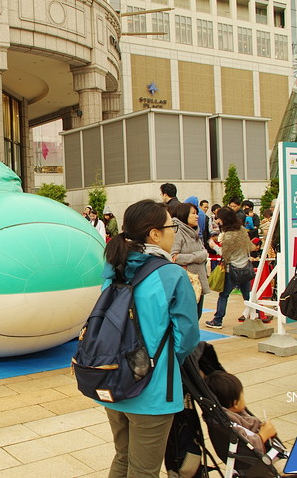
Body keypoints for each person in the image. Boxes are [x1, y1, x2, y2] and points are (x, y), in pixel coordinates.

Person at [100, 199, 200, 478]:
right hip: (151, 390)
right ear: (154, 234)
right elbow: (188, 338)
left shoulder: (114, 267)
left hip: (111, 379)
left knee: (123, 457)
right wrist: (165, 362)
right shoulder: (171, 274)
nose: (174, 232)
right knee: (144, 470)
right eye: (171, 227)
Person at [204, 371, 279, 457]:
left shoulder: (222, 417)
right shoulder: (232, 423)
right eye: (242, 395)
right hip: (263, 462)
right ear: (236, 403)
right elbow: (246, 447)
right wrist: (263, 435)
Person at [205, 207, 255, 330]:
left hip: (232, 270)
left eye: (218, 218)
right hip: (245, 268)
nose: (217, 221)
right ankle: (255, 316)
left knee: (223, 295)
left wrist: (213, 246)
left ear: (224, 219)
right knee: (247, 295)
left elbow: (225, 254)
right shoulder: (242, 230)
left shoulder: (228, 235)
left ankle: (218, 320)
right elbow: (250, 247)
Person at [170, 203, 210, 319]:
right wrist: (197, 256)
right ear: (183, 215)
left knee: (197, 315)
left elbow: (204, 252)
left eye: (196, 213)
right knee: (188, 318)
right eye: (193, 213)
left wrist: (201, 255)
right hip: (187, 283)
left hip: (198, 281)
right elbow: (174, 257)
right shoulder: (177, 231)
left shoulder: (194, 232)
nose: (197, 216)